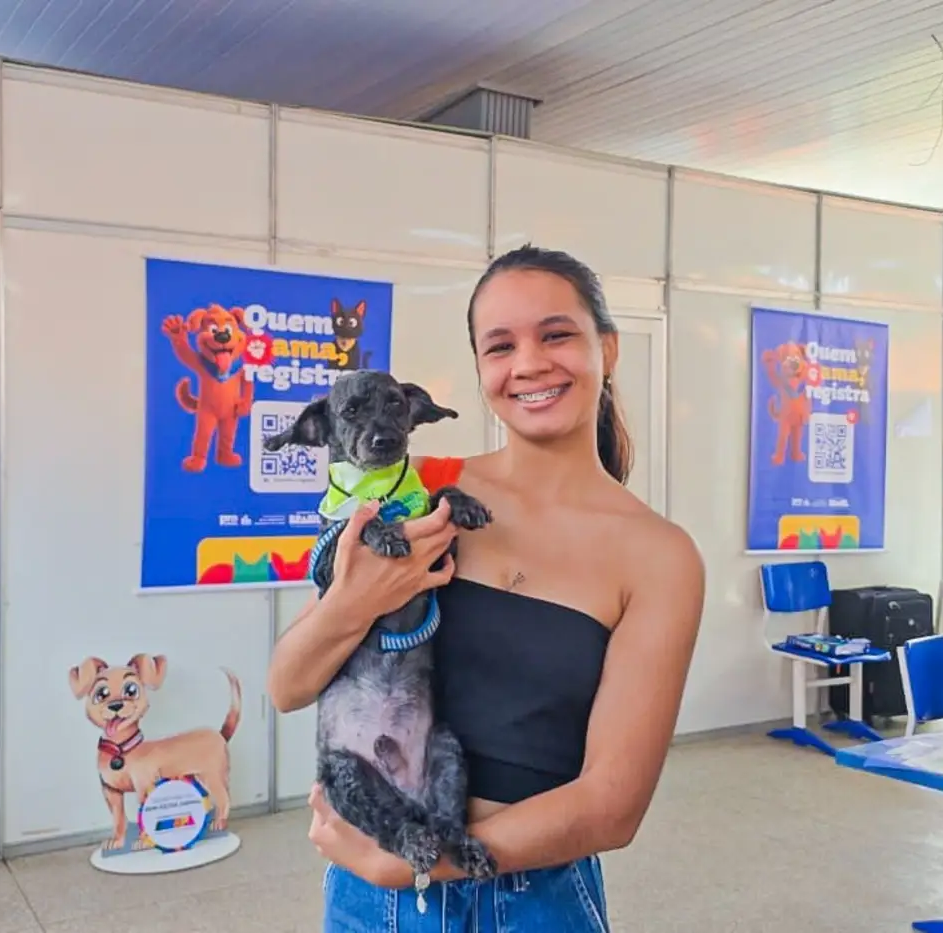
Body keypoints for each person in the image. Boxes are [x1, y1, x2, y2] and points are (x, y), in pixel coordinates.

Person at [267, 244, 705, 931]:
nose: (528, 363)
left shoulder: (660, 555)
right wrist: (360, 598)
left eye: (556, 334)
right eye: (500, 346)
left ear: (608, 348)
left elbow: (613, 806)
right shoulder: (421, 489)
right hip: (373, 902)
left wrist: (414, 864)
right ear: (481, 369)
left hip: (534, 899)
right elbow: (289, 684)